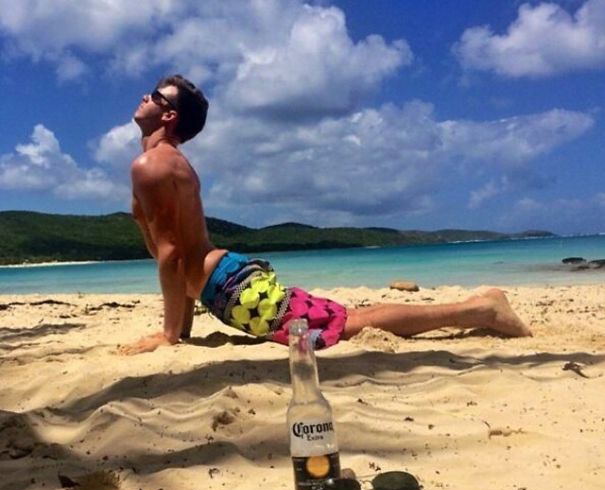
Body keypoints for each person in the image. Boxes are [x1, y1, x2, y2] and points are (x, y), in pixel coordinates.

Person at [119, 74, 531, 355]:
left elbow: (172, 253)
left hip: (231, 290)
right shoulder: (169, 163)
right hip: (225, 283)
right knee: (348, 320)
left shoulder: (152, 166)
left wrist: (169, 336)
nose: (145, 96)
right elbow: (177, 251)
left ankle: (480, 310)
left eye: (155, 95)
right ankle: (478, 308)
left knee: (348, 325)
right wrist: (181, 330)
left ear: (169, 116)